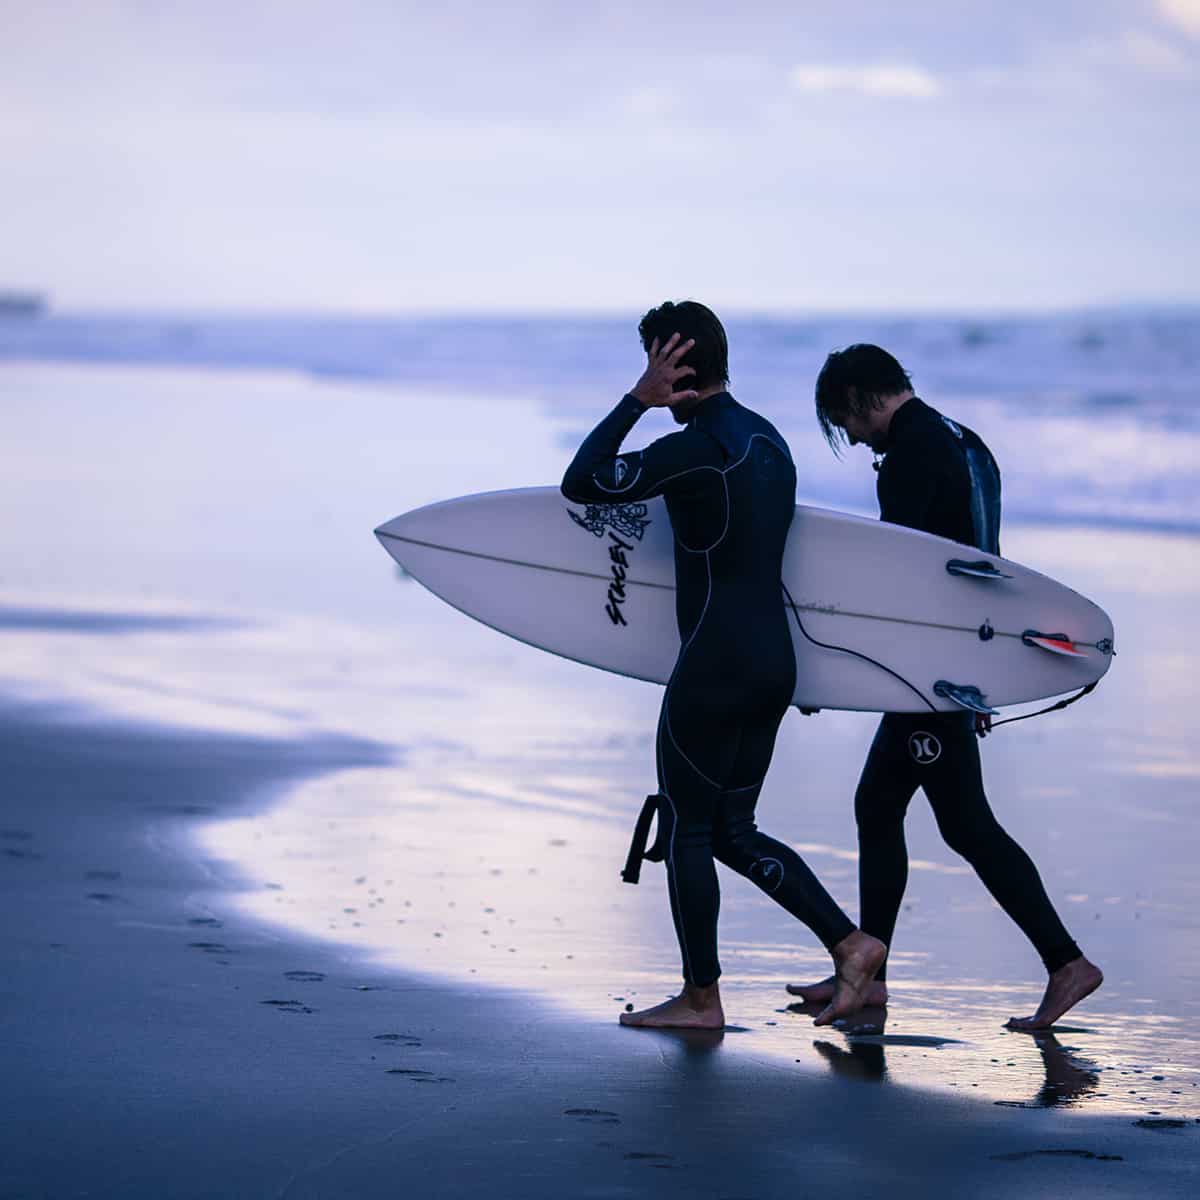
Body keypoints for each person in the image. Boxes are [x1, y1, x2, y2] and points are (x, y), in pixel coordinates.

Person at [561, 302, 886, 1030]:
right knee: (735, 830)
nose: (647, 376)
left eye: (653, 362)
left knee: (689, 830)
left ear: (672, 366)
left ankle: (701, 998)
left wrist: (635, 403)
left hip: (713, 664)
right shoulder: (769, 442)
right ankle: (851, 943)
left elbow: (582, 482)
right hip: (773, 661)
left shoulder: (697, 446)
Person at [788, 344, 1102, 1030]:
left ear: (861, 398)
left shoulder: (909, 456)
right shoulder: (966, 442)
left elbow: (899, 584)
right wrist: (983, 674)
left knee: (966, 824)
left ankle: (1065, 961)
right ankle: (868, 973)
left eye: (845, 422)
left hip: (927, 674)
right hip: (956, 664)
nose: (852, 438)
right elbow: (984, 561)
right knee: (877, 806)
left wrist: (828, 673)